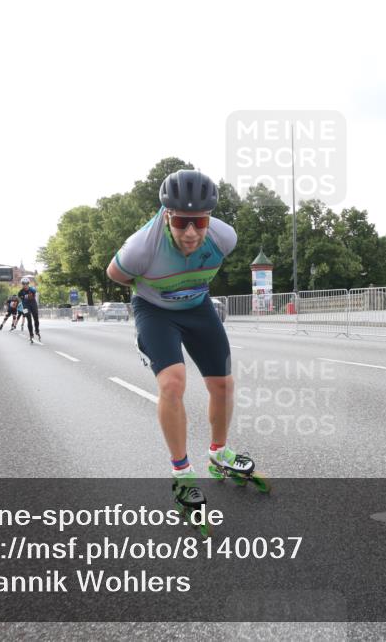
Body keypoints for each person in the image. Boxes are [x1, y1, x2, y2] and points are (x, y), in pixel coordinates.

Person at [106, 169, 267, 523]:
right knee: (173, 382)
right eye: (181, 222)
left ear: (210, 218)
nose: (191, 232)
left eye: (199, 221)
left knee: (223, 384)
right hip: (155, 312)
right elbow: (114, 274)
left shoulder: (225, 238)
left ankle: (219, 453)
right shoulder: (140, 248)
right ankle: (181, 475)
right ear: (167, 216)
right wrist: (152, 290)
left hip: (198, 307)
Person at [17, 277, 41, 343]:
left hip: (33, 305)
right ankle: (31, 333)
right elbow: (21, 298)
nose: (25, 285)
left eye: (26, 283)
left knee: (36, 318)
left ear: (28, 284)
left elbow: (34, 292)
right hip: (25, 307)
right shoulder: (20, 292)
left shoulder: (32, 289)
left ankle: (37, 330)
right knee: (28, 319)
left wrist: (30, 295)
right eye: (23, 284)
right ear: (22, 284)